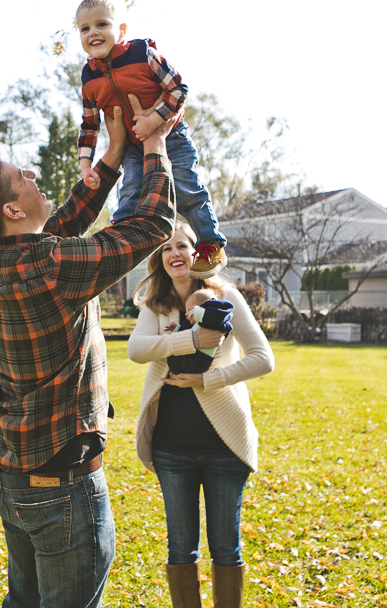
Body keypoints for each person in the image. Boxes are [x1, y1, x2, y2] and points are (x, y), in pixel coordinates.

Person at [0, 97, 177, 608]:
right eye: (22, 177)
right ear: (12, 209)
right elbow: (153, 224)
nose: (32, 173)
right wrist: (157, 145)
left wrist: (114, 155)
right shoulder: (51, 266)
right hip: (62, 489)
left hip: (13, 475)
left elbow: (56, 228)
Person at [127, 223, 275, 608]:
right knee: (181, 549)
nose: (174, 253)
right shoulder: (156, 305)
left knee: (226, 549)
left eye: (183, 245)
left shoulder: (227, 298)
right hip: (171, 449)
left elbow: (264, 359)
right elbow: (136, 350)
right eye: (166, 248)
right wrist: (191, 339)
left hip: (225, 446)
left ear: (199, 253)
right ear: (160, 260)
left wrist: (209, 379)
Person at [74, 0, 228, 279]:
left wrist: (153, 121)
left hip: (172, 136)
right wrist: (85, 166)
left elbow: (179, 90)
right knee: (131, 190)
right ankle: (115, 246)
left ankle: (211, 242)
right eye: (84, 28)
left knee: (184, 189)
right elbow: (89, 124)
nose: (93, 32)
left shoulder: (142, 53)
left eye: (101, 24)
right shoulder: (88, 77)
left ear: (121, 30)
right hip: (133, 144)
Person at [165, 289, 234, 376]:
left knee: (173, 360)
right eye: (186, 311)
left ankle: (177, 375)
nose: (186, 314)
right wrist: (176, 329)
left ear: (203, 307)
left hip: (201, 360)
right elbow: (187, 334)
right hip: (194, 356)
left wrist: (198, 313)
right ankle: (177, 375)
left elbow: (218, 319)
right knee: (173, 358)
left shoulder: (211, 320)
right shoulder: (197, 323)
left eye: (190, 310)